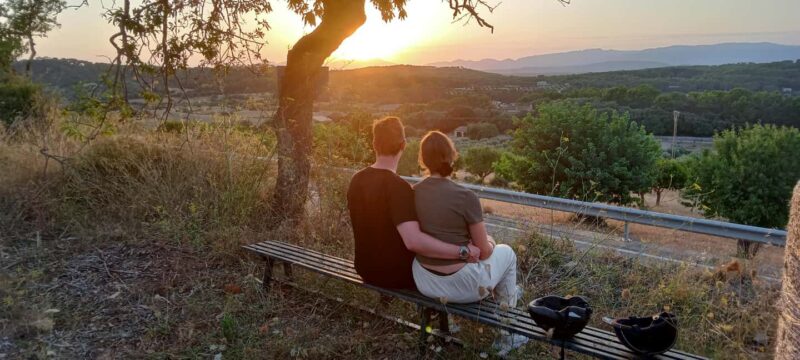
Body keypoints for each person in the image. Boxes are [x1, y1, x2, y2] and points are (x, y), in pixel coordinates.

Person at [411, 130, 527, 355]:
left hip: (424, 280)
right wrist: (491, 242)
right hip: (463, 286)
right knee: (507, 253)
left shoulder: (413, 192)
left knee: (492, 259)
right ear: (452, 157)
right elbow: (482, 252)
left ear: (423, 160)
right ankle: (508, 334)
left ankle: (507, 295)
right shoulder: (465, 196)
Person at [346, 117, 481, 290]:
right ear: (403, 145)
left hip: (364, 268)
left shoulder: (357, 179)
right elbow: (413, 241)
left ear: (374, 144)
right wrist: (463, 251)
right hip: (396, 275)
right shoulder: (399, 188)